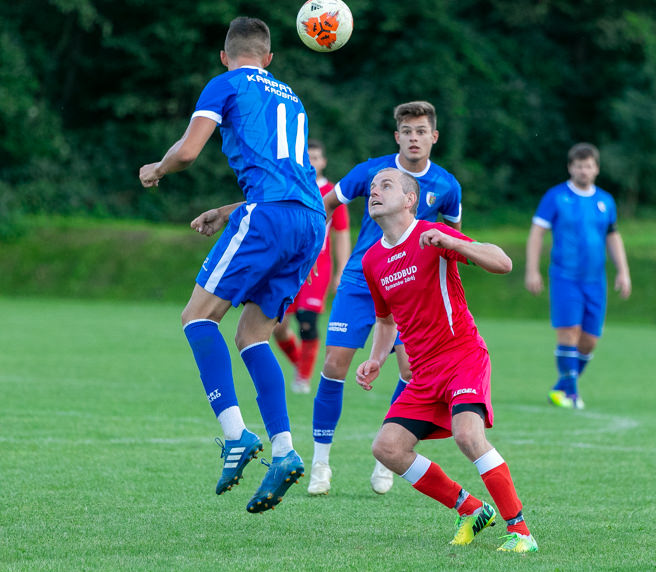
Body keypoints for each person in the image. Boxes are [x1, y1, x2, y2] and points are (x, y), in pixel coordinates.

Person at [138, 17, 325, 513]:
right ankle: (284, 451)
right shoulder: (291, 96)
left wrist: (158, 167)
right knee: (252, 335)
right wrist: (229, 211)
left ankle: (235, 434)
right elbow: (285, 176)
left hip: (269, 216)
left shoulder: (225, 83)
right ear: (269, 57)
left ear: (226, 56)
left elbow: (189, 151)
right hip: (310, 221)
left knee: (197, 317)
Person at [355, 168, 538, 553]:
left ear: (409, 200)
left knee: (468, 435)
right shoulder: (372, 260)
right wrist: (376, 359)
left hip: (462, 357)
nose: (374, 191)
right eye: (372, 188)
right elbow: (386, 319)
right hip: (423, 373)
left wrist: (454, 244)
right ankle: (470, 509)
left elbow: (502, 262)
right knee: (387, 448)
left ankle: (521, 532)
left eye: (385, 185)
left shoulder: (432, 234)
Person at [308, 101, 462, 496]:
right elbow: (325, 206)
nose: (414, 137)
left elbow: (455, 243)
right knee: (335, 363)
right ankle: (320, 463)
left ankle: (385, 456)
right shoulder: (371, 172)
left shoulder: (447, 186)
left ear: (434, 136)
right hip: (364, 279)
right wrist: (307, 253)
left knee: (410, 373)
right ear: (397, 136)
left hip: (415, 288)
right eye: (407, 131)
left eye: (421, 130)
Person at [524, 142, 631, 409]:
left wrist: (623, 271)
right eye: (579, 165)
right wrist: (532, 269)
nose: (584, 170)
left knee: (589, 340)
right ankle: (571, 394)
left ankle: (561, 387)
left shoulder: (605, 201)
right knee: (569, 332)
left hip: (596, 280)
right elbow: (537, 233)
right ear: (571, 167)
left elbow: (613, 236)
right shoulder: (556, 196)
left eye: (589, 166)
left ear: (596, 169)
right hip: (565, 277)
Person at [272, 140, 350, 394]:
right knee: (277, 326)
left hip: (319, 268)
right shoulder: (292, 187)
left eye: (316, 157)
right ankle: (301, 365)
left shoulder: (332, 192)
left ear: (323, 162)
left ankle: (303, 378)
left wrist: (341, 272)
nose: (311, 162)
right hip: (289, 267)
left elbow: (342, 234)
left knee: (307, 319)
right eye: (307, 158)